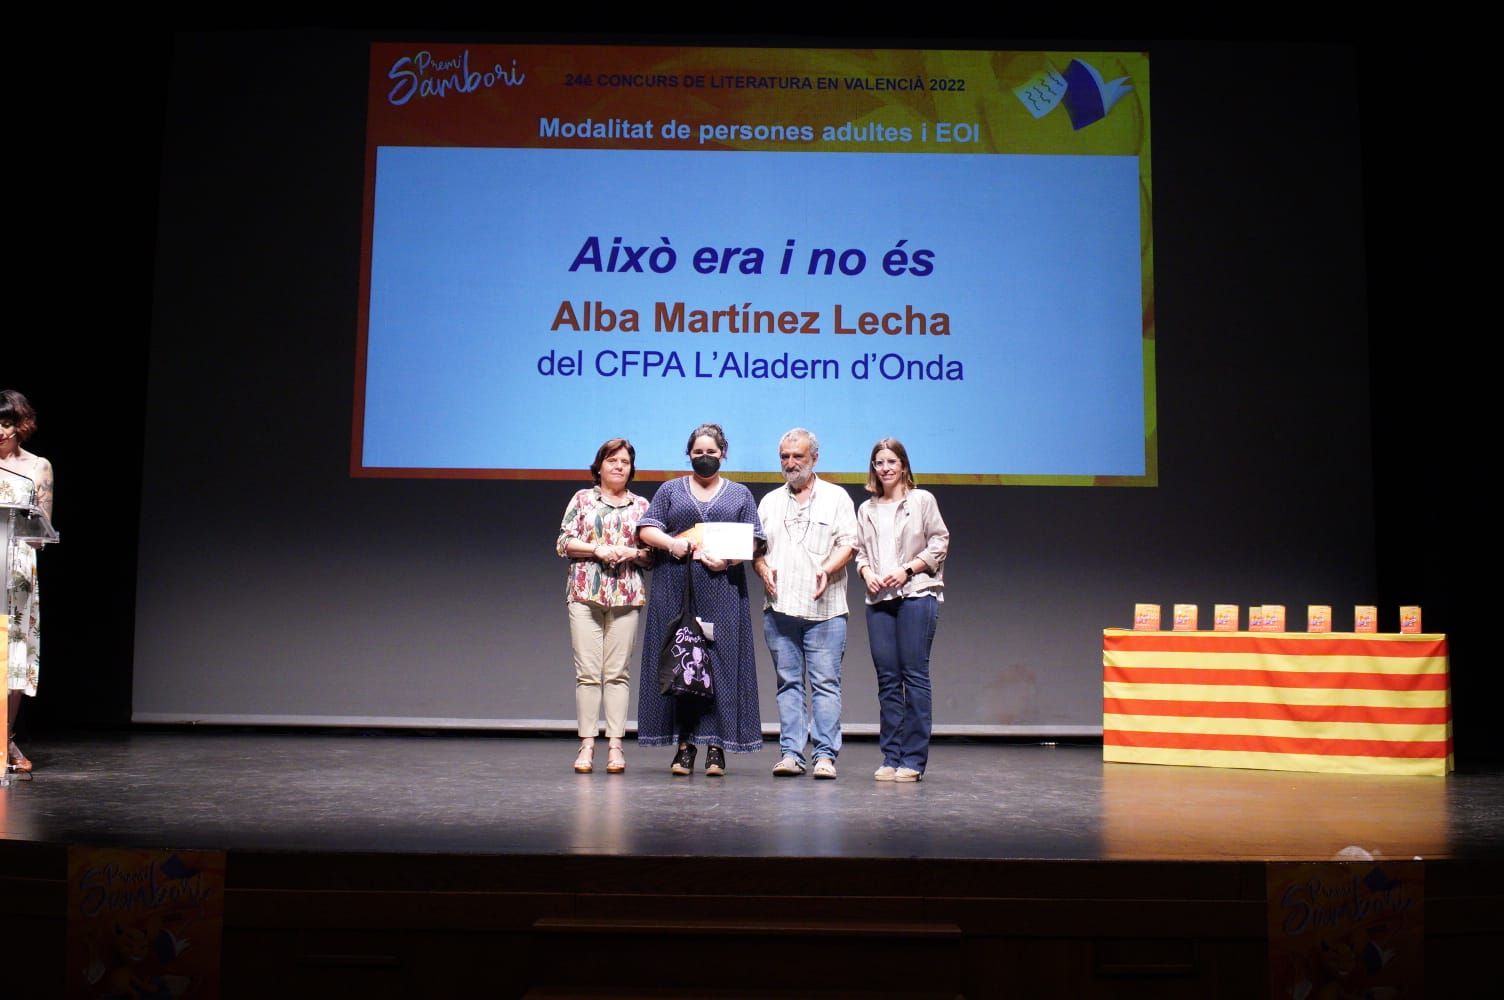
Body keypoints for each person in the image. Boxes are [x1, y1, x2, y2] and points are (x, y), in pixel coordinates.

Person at [636, 423, 764, 775]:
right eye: (698, 452)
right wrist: (671, 543)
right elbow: (647, 528)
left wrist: (729, 559)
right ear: (688, 454)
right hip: (676, 588)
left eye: (711, 452)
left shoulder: (739, 495)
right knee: (683, 665)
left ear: (723, 454)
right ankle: (684, 746)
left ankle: (716, 748)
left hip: (722, 588)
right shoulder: (670, 490)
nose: (704, 457)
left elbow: (754, 539)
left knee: (720, 664)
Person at [754, 428, 857, 779]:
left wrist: (827, 569)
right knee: (788, 683)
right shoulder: (769, 502)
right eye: (784, 456)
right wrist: (763, 569)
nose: (790, 463)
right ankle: (791, 754)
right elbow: (757, 551)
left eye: (797, 456)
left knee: (826, 684)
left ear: (814, 458)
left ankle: (825, 755)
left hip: (825, 610)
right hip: (780, 608)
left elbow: (849, 543)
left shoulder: (837, 497)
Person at [854, 438, 948, 782]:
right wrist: (866, 574)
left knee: (914, 675)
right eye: (879, 462)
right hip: (879, 601)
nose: (886, 468)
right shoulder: (866, 509)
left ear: (904, 465)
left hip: (916, 595)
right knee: (888, 681)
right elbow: (860, 552)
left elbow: (940, 542)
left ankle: (913, 760)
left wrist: (908, 569)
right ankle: (891, 756)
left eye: (892, 461)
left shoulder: (921, 500)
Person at [556, 438, 651, 775]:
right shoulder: (583, 499)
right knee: (587, 674)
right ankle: (586, 745)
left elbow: (651, 554)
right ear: (599, 466)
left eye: (625, 461)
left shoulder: (642, 505)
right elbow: (564, 542)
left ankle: (615, 746)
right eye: (612, 460)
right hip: (585, 593)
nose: (619, 466)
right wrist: (597, 550)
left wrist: (631, 553)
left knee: (617, 674)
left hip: (626, 594)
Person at [0, 390, 52, 774]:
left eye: (6, 423)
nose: (0, 432)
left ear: (21, 425)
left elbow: (43, 528)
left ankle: (5, 738)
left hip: (16, 567)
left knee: (15, 655)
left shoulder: (37, 467)